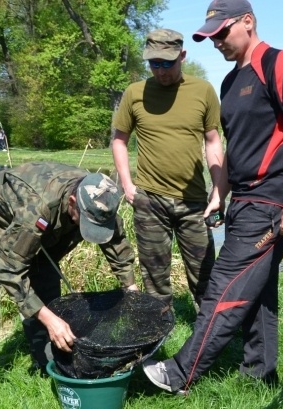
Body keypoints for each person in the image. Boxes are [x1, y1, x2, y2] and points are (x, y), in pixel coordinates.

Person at [142, 0, 283, 394]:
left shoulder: (279, 64)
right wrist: (219, 193)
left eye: (222, 33)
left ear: (248, 22)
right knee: (257, 288)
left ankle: (180, 373)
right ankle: (259, 373)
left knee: (224, 284)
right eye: (210, 36)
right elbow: (233, 145)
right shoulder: (228, 82)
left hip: (271, 200)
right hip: (242, 199)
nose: (216, 42)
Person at [0, 162, 137, 409]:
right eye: (87, 221)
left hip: (41, 230)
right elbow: (10, 271)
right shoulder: (37, 207)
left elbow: (116, 243)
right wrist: (49, 320)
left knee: (48, 294)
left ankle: (47, 363)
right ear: (73, 202)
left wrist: (131, 289)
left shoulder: (101, 198)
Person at [111, 28, 225, 308]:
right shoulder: (135, 93)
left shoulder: (203, 91)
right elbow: (119, 141)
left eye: (167, 63)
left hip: (194, 201)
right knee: (155, 277)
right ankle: (158, 332)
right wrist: (128, 186)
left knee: (204, 273)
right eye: (154, 63)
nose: (161, 71)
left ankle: (209, 333)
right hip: (149, 200)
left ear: (182, 56)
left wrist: (219, 192)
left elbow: (213, 142)